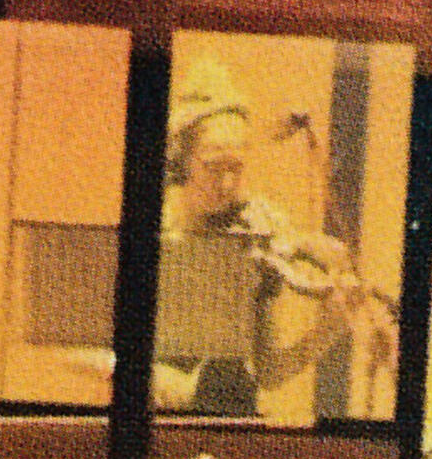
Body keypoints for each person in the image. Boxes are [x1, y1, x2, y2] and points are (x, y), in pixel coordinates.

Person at [156, 66, 367, 413]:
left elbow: (269, 372)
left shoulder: (255, 235)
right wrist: (173, 386)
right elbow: (91, 352)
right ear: (180, 163)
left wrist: (327, 331)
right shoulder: (154, 236)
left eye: (236, 168)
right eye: (213, 167)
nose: (227, 185)